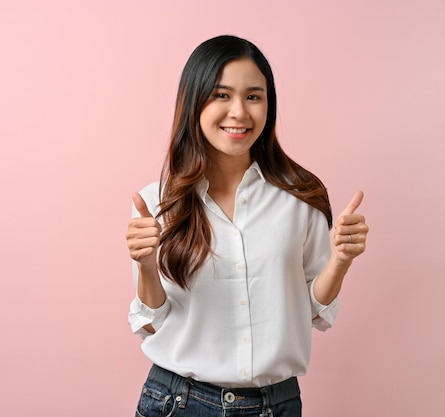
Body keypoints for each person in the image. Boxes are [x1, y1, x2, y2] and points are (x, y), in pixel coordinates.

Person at [126, 35, 369, 417]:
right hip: (178, 403)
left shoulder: (299, 196)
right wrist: (144, 265)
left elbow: (309, 312)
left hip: (276, 405)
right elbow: (152, 324)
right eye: (221, 95)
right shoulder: (158, 202)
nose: (239, 112)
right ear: (194, 101)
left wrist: (340, 260)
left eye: (253, 97)